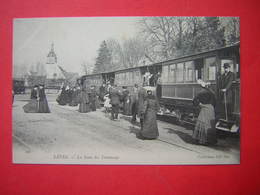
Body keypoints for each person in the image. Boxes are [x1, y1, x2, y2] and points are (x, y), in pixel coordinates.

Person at [192, 80, 217, 145]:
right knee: (210, 124)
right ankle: (211, 140)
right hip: (211, 109)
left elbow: (194, 101)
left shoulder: (200, 92)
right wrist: (212, 106)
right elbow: (215, 102)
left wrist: (199, 104)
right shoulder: (212, 92)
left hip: (204, 109)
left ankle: (202, 140)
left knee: (202, 123)